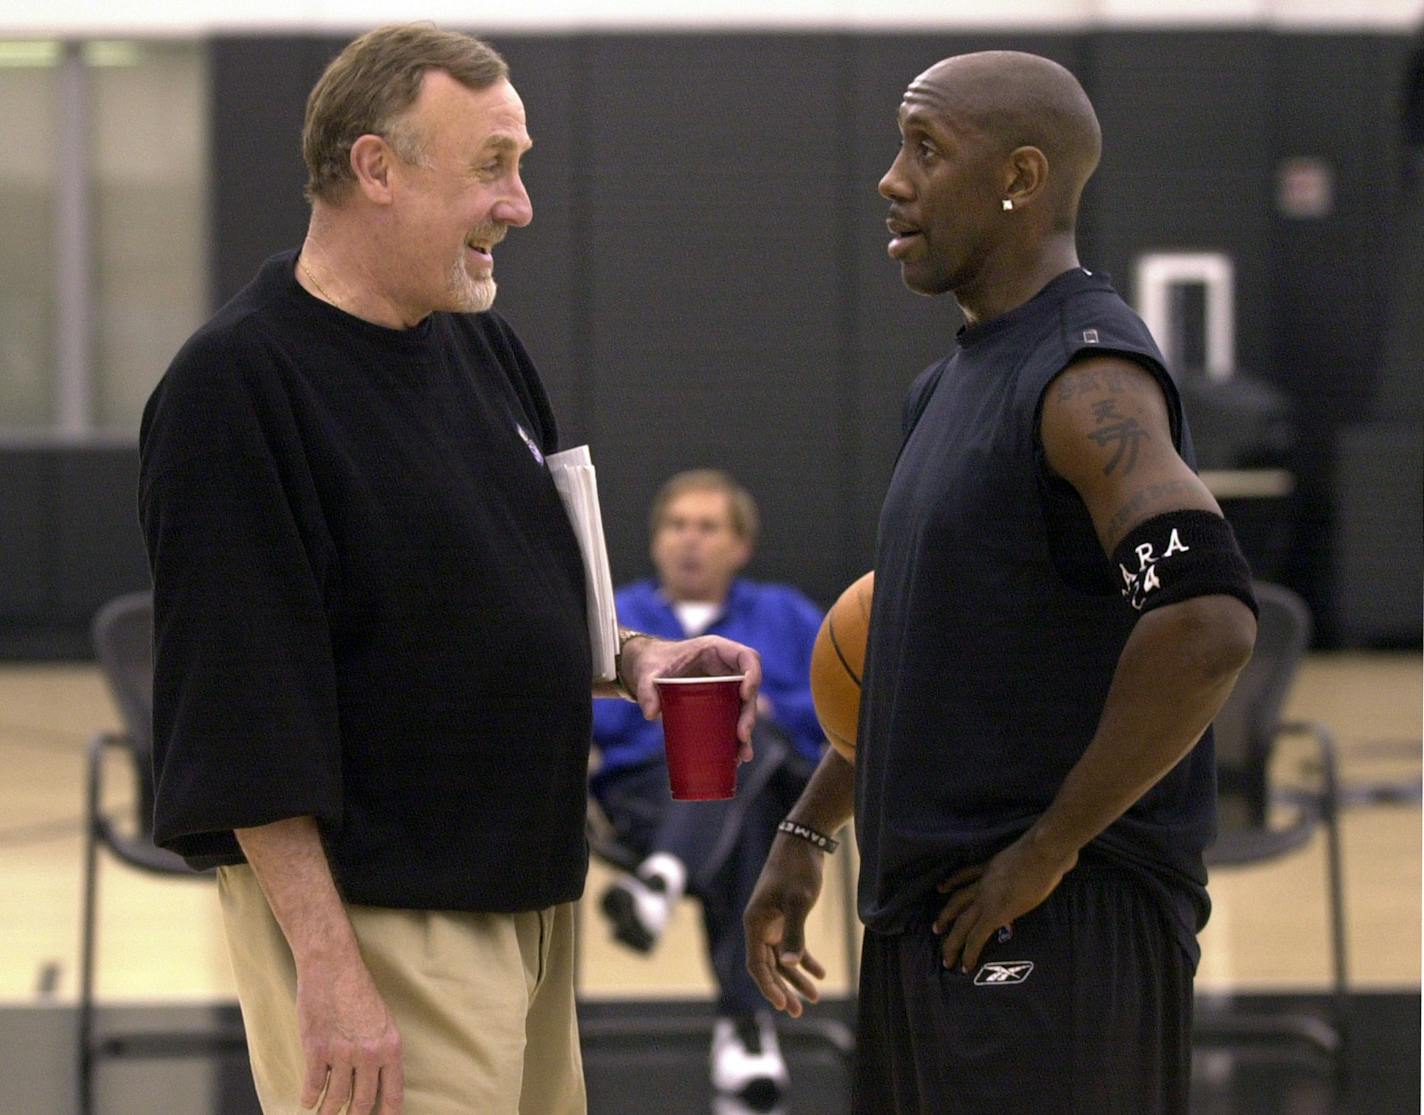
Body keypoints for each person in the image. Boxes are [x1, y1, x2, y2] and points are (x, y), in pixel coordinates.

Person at [138, 24, 762, 1115]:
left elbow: (516, 603)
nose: (517, 204)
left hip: (530, 894)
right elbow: (241, 719)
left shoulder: (481, 346)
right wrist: (329, 973)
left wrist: (638, 658)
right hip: (380, 919)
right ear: (375, 167)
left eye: (518, 165)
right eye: (490, 166)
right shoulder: (237, 385)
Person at [743, 51, 1259, 1115]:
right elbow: (922, 642)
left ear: (1019, 176)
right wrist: (807, 828)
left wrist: (1048, 845)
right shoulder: (946, 384)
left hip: (1053, 922)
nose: (891, 177)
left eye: (925, 149)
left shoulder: (1085, 378)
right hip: (933, 909)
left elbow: (1204, 615)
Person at [591, 469, 824, 1107]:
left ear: (739, 545)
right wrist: (663, 699)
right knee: (746, 818)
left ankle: (660, 882)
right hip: (645, 794)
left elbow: (843, 701)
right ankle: (747, 1030)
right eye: (676, 525)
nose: (688, 540)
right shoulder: (621, 619)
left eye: (707, 526)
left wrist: (767, 709)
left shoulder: (786, 613)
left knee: (749, 747)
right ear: (656, 539)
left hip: (769, 786)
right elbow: (597, 722)